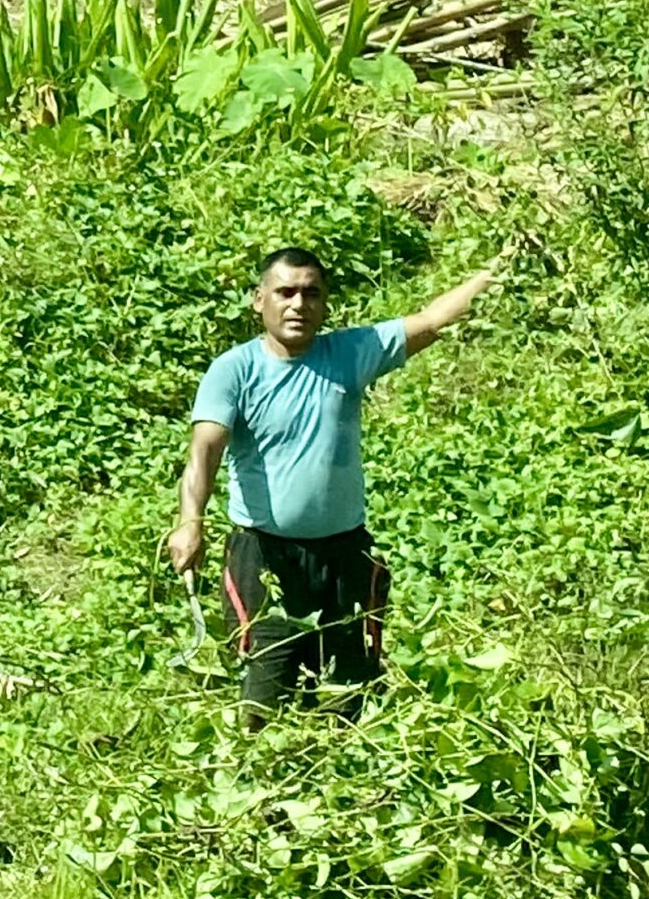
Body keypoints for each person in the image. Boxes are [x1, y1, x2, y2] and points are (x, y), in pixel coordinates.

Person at [166, 246, 501, 723]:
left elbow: (431, 321)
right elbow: (205, 451)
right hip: (265, 558)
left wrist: (494, 272)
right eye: (285, 292)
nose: (297, 304)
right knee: (264, 693)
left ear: (325, 304)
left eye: (311, 293)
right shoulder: (234, 370)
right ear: (258, 300)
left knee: (352, 695)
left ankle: (350, 789)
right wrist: (189, 521)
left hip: (346, 556)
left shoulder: (348, 353)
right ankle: (262, 788)